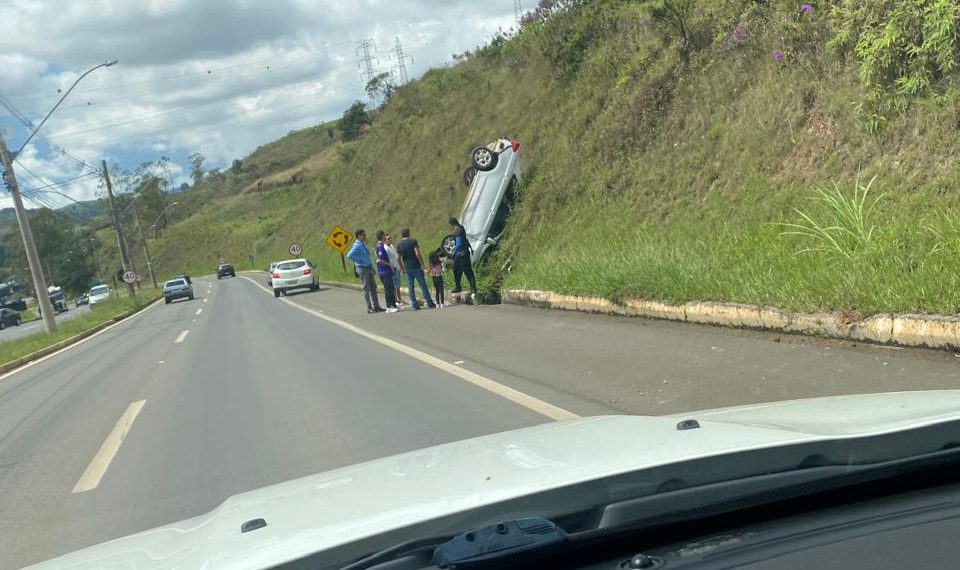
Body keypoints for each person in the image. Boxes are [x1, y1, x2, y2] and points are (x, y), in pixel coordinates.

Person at [396, 227, 436, 310]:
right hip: (416, 266)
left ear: (402, 234)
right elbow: (417, 253)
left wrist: (402, 267)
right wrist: (422, 264)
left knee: (410, 286)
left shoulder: (399, 245)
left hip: (407, 268)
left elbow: (398, 258)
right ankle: (429, 302)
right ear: (408, 233)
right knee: (422, 284)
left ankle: (414, 305)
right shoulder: (413, 241)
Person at [346, 229, 384, 314]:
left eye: (365, 234)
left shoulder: (362, 244)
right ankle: (369, 308)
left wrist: (371, 267)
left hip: (368, 267)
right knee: (366, 288)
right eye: (363, 235)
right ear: (359, 236)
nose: (365, 236)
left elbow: (366, 257)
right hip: (362, 268)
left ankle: (376, 306)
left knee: (373, 286)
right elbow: (349, 255)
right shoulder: (357, 245)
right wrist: (359, 261)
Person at [449, 217, 477, 301]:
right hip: (460, 255)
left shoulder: (458, 230)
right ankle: (458, 287)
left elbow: (459, 244)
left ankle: (473, 290)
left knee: (468, 271)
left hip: (462, 254)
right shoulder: (460, 228)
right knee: (456, 270)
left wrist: (453, 253)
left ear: (452, 224)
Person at [375, 230, 399, 312]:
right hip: (384, 271)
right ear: (382, 236)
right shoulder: (380, 246)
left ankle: (393, 304)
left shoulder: (380, 246)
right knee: (388, 289)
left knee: (391, 288)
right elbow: (380, 259)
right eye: (384, 235)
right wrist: (390, 265)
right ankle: (389, 306)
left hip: (387, 271)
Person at [384, 234, 403, 306]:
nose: (390, 240)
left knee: (398, 284)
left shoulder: (391, 246)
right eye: (388, 239)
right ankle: (395, 299)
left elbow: (395, 257)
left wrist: (399, 266)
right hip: (392, 268)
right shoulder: (385, 248)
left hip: (396, 267)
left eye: (390, 238)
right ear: (385, 240)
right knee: (394, 285)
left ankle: (399, 299)